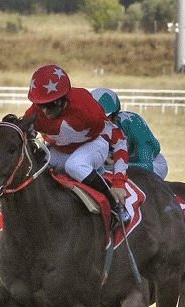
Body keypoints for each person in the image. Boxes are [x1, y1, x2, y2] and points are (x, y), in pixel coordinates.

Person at [24, 64, 130, 223]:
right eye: (40, 104)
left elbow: (120, 140)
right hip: (61, 150)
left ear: (63, 98)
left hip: (95, 144)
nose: (45, 111)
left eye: (51, 104)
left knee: (74, 165)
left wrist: (119, 183)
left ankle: (115, 205)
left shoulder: (88, 110)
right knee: (35, 166)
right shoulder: (34, 114)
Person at [91, 88, 168, 179]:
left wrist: (115, 164)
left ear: (115, 115)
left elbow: (146, 166)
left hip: (151, 165)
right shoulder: (86, 128)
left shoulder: (134, 124)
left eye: (105, 119)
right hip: (114, 166)